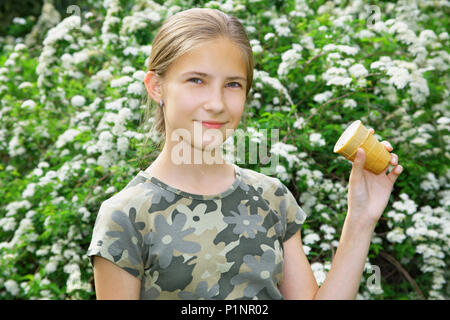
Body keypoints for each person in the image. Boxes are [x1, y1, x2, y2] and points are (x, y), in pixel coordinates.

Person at [87, 7, 403, 300]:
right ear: (156, 87)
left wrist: (361, 217)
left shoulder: (271, 199)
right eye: (196, 80)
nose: (217, 103)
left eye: (233, 84)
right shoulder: (125, 217)